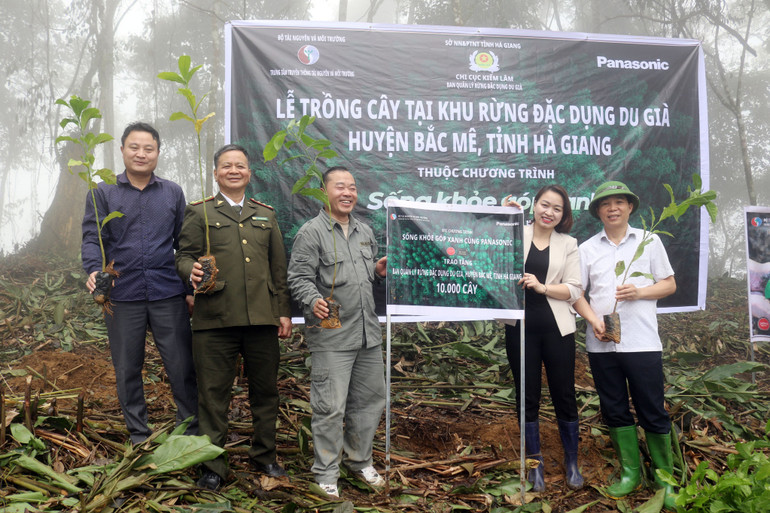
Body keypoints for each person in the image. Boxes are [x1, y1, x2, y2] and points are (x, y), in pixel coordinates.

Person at [175, 144, 292, 491]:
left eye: (240, 165)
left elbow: (278, 267)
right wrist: (190, 271)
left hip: (261, 319)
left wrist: (283, 311)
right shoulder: (199, 212)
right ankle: (212, 464)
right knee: (212, 395)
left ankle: (265, 456)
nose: (233, 170)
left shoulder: (265, 214)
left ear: (249, 173)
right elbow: (182, 256)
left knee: (266, 392)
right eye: (226, 166)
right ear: (216, 173)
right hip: (214, 319)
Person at [81, 122, 198, 445]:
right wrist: (93, 270)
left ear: (158, 153)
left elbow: (183, 244)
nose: (141, 154)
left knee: (181, 365)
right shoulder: (103, 192)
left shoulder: (172, 192)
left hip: (167, 292)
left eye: (149, 148)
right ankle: (139, 435)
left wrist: (189, 291)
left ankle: (189, 431)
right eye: (134, 147)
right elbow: (93, 238)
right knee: (127, 367)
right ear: (122, 150)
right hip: (122, 294)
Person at [287, 166, 388, 499]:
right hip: (332, 337)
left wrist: (377, 271)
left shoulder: (365, 232)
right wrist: (312, 299)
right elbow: (298, 278)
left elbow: (363, 278)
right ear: (324, 191)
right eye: (340, 187)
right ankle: (326, 472)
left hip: (367, 335)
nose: (348, 193)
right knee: (330, 406)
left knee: (371, 401)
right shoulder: (311, 232)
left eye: (353, 188)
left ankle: (359, 461)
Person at [579, 181, 677, 509]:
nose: (612, 208)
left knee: (652, 408)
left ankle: (665, 478)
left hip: (643, 341)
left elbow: (669, 284)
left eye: (619, 202)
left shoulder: (649, 241)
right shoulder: (588, 248)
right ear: (598, 212)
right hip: (602, 343)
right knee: (615, 408)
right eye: (605, 205)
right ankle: (630, 473)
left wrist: (639, 292)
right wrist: (593, 319)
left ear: (630, 207)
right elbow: (577, 293)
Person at [502, 185, 603, 492]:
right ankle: (535, 467)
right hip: (519, 328)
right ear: (533, 206)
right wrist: (502, 214)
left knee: (564, 395)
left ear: (563, 215)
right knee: (526, 397)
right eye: (545, 205)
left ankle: (571, 462)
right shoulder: (513, 234)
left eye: (557, 209)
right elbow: (486, 248)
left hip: (558, 329)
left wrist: (542, 286)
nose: (549, 212)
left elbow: (573, 289)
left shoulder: (568, 243)